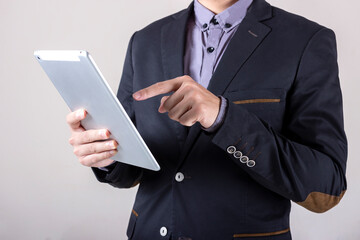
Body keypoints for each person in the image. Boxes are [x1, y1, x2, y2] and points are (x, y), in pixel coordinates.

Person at [66, 0, 347, 239]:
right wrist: (106, 156)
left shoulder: (306, 41)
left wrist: (223, 117)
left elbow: (326, 187)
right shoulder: (146, 40)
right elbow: (132, 169)